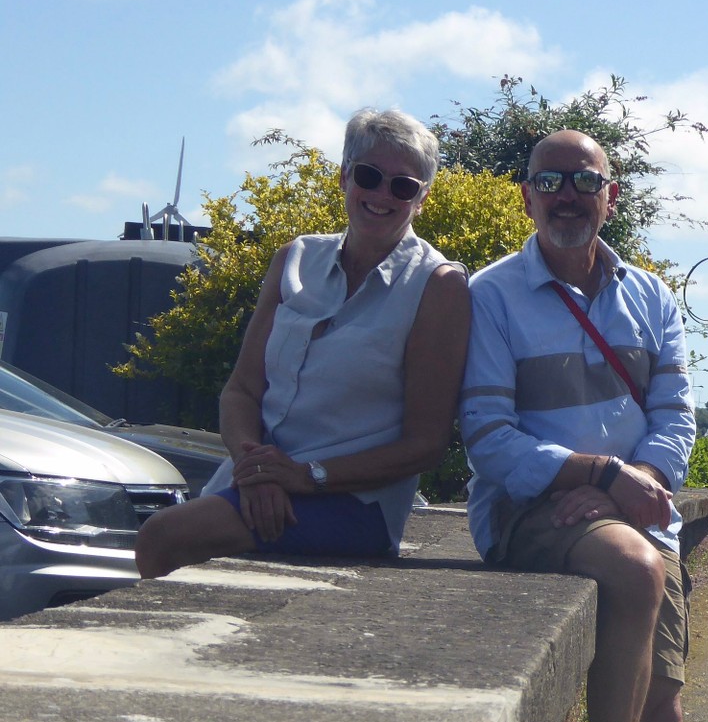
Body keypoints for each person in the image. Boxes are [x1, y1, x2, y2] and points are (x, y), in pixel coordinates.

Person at [136, 108, 470, 579]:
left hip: (353, 503)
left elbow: (425, 445)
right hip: (257, 484)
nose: (381, 195)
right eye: (369, 176)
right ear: (343, 176)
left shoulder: (437, 285)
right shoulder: (294, 259)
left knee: (162, 537)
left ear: (422, 199)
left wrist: (306, 477)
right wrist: (256, 469)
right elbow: (242, 391)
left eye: (403, 186)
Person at [460, 130, 696, 722]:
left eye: (586, 181)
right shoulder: (491, 296)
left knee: (662, 711)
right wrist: (599, 472)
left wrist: (624, 486)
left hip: (638, 507)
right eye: (549, 181)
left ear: (611, 197)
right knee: (635, 570)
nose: (568, 194)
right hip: (531, 506)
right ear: (526, 198)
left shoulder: (652, 297)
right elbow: (487, 437)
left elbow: (676, 418)